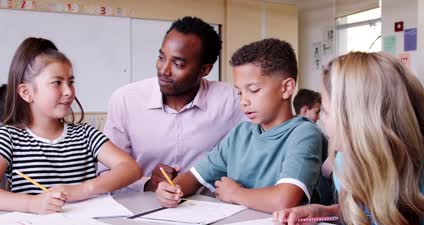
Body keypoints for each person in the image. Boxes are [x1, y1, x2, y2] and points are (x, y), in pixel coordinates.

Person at [273, 52, 424, 225]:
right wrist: (325, 212)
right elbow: (370, 215)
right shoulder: (346, 164)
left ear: (360, 122)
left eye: (327, 112)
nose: (321, 119)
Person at [156, 38, 324, 213]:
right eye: (239, 92)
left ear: (286, 88)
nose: (243, 101)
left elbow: (284, 200)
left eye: (253, 90)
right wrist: (171, 189)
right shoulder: (240, 133)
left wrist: (236, 194)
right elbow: (194, 177)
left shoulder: (304, 133)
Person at [99, 16, 244, 192]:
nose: (163, 70)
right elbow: (106, 174)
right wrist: (146, 184)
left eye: (178, 64)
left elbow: (253, 157)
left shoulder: (231, 101)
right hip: (141, 210)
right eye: (161, 57)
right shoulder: (125, 100)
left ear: (205, 70)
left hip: (210, 210)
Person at [0, 37, 141, 214]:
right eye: (57, 83)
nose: (68, 91)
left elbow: (131, 168)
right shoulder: (8, 137)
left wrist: (83, 190)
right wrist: (32, 204)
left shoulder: (85, 134)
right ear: (26, 92)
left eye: (71, 82)